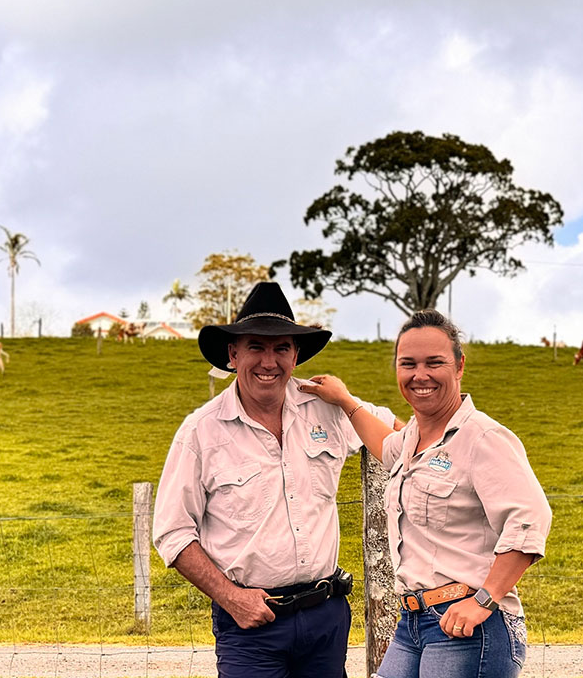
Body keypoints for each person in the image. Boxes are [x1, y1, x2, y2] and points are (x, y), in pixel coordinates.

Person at [151, 282, 401, 678]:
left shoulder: (328, 409)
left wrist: (349, 401)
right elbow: (172, 532)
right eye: (256, 347)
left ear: (296, 355)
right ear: (233, 355)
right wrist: (231, 598)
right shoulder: (201, 431)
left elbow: (403, 438)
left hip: (326, 617)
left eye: (281, 347)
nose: (269, 361)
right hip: (252, 625)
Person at [301, 309, 551, 678]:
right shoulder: (412, 439)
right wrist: (345, 400)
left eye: (435, 362)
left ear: (459, 366)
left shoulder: (483, 437)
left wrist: (485, 599)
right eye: (408, 364)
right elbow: (385, 446)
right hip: (413, 622)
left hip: (468, 624)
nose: (420, 375)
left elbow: (530, 520)